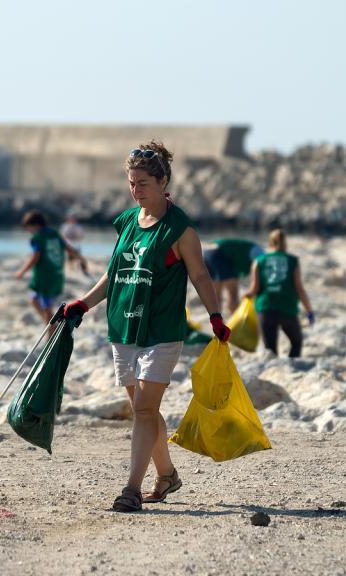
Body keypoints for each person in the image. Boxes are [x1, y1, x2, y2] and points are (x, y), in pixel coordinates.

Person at [59, 141, 229, 513]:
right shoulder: (126, 222)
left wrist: (215, 316)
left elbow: (199, 274)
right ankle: (167, 475)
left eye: (143, 184)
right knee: (141, 408)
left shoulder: (179, 228)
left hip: (161, 330)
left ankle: (131, 489)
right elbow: (114, 274)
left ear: (163, 180)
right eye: (131, 183)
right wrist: (83, 304)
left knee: (145, 411)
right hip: (123, 326)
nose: (135, 190)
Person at [244, 229, 314, 358]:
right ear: (285, 242)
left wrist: (245, 297)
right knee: (296, 342)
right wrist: (309, 311)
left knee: (270, 350)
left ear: (270, 243)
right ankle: (292, 366)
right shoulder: (292, 260)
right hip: (287, 307)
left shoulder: (259, 261)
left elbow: (254, 289)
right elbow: (299, 289)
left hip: (265, 307)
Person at [14, 211, 85, 325]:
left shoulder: (37, 238)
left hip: (44, 276)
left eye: (29, 228)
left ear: (36, 225)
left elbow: (36, 256)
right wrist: (81, 258)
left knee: (47, 307)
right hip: (56, 274)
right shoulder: (54, 233)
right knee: (34, 299)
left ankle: (50, 332)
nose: (29, 231)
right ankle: (50, 323)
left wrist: (22, 271)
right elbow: (68, 248)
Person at [203, 238, 264, 313]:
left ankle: (216, 321)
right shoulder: (259, 255)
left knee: (216, 294)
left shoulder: (253, 249)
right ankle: (236, 319)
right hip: (220, 253)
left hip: (207, 253)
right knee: (233, 293)